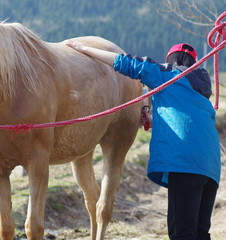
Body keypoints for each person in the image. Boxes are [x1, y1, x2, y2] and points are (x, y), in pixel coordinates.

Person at [65, 40, 221, 240]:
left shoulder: (168, 74)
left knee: (182, 233)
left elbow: (127, 63)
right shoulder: (201, 91)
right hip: (210, 167)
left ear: (171, 61)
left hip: (185, 163)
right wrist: (153, 120)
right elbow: (188, 121)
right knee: (200, 233)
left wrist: (84, 49)